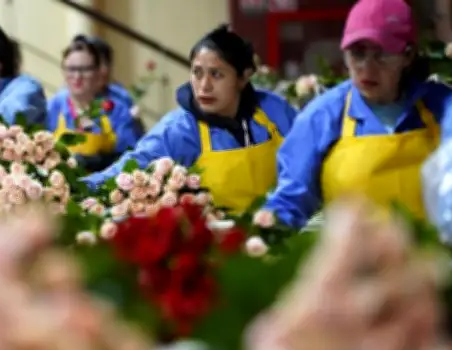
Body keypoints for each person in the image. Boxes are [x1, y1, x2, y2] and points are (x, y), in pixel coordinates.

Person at [258, 0, 452, 230]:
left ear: (408, 56)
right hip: (356, 260)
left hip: (434, 260)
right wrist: (262, 239)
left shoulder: (445, 108)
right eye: (357, 53)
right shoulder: (322, 116)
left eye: (381, 55)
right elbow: (289, 203)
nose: (367, 68)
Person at [82, 25, 297, 214]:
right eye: (197, 73)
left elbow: (311, 155)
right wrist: (73, 188)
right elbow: (126, 170)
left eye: (217, 74)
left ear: (243, 76)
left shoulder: (274, 111)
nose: (204, 86)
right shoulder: (179, 129)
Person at [47, 36, 142, 172]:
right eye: (71, 69)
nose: (77, 76)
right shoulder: (53, 107)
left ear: (98, 73)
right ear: (63, 71)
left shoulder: (116, 110)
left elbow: (131, 156)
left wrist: (101, 161)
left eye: (85, 69)